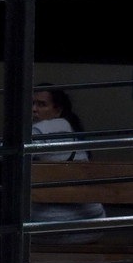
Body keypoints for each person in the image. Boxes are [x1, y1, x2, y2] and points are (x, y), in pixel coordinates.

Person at [29, 85, 107, 231]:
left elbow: (8, 155)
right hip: (94, 224)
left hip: (53, 225)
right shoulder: (72, 130)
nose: (34, 109)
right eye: (32, 103)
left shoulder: (42, 130)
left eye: (41, 104)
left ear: (58, 110)